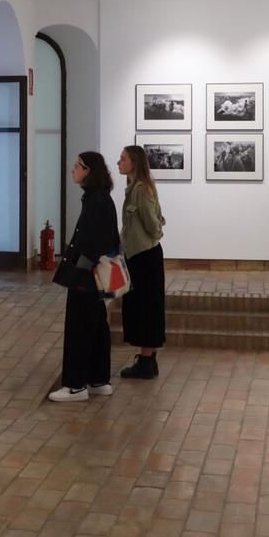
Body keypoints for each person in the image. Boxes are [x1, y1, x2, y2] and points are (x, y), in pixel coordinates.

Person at [49, 151, 120, 402]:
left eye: (77, 166)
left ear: (88, 171)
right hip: (93, 275)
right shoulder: (98, 198)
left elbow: (93, 242)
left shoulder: (97, 201)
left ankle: (76, 385)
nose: (73, 170)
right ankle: (99, 380)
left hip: (87, 276)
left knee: (79, 328)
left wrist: (80, 270)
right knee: (96, 326)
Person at [117, 145, 167, 379]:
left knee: (146, 307)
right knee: (142, 307)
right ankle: (148, 359)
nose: (119, 162)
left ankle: (146, 361)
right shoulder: (134, 188)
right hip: (138, 256)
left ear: (134, 162)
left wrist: (156, 234)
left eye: (123, 159)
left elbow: (153, 223)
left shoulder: (141, 189)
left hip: (145, 256)